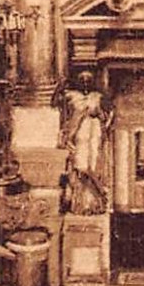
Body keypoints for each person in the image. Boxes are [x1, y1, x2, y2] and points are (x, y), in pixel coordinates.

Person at [56, 71, 112, 214]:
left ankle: (95, 203)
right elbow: (63, 111)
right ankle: (80, 205)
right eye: (83, 80)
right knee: (81, 167)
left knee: (93, 165)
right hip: (80, 134)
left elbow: (107, 115)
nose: (86, 83)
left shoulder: (97, 97)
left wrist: (98, 114)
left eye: (88, 80)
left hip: (95, 134)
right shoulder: (73, 97)